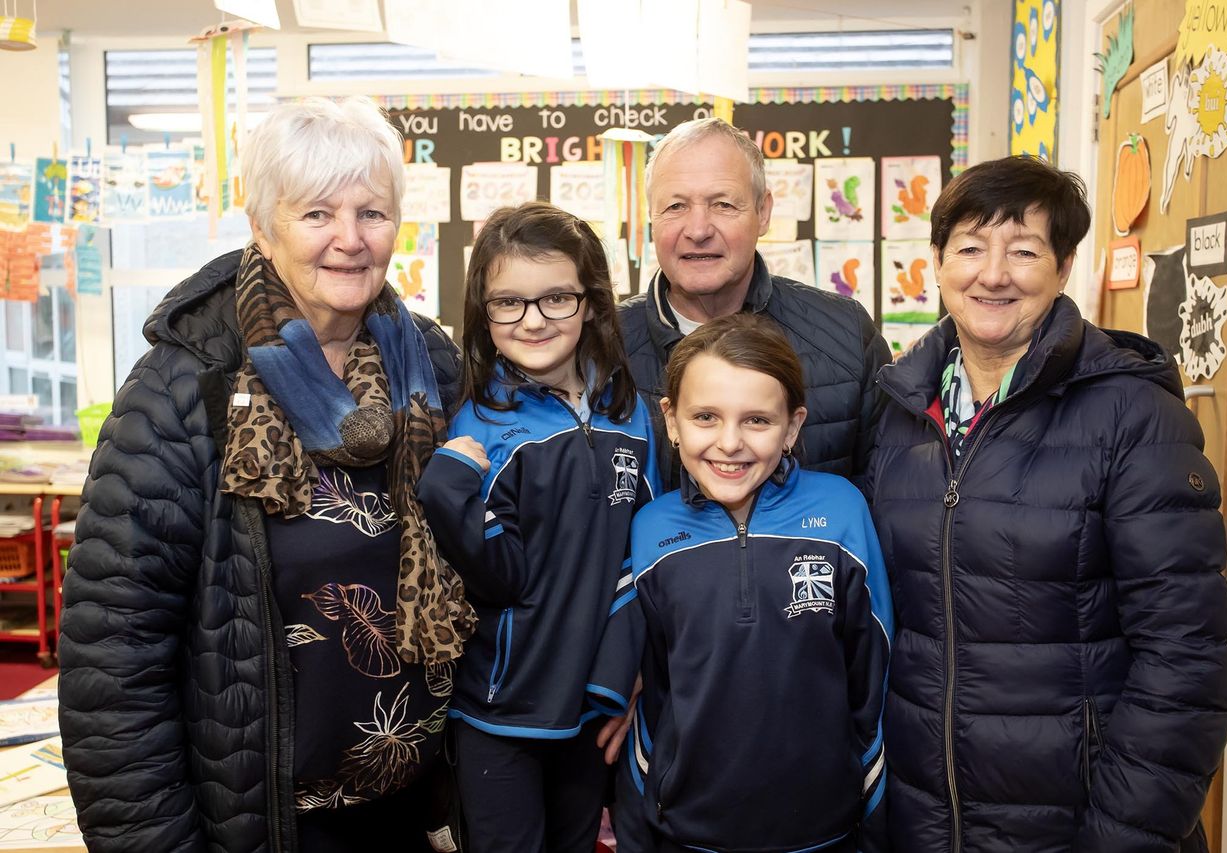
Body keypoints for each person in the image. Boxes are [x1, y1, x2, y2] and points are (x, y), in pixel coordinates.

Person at [58, 97, 475, 852]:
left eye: (372, 213)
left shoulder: (433, 365)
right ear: (262, 227)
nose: (349, 240)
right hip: (260, 828)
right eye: (317, 214)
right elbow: (113, 658)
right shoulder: (189, 386)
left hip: (416, 816)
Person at [868, 155, 1227, 852]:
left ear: (1065, 267)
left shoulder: (1132, 414)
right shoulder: (900, 409)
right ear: (939, 263)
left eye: (1025, 251)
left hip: (1079, 825)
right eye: (971, 248)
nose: (994, 274)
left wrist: (1119, 836)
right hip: (926, 823)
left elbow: (1188, 662)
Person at [417, 201, 660, 853]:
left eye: (556, 297)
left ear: (592, 302)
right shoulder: (482, 425)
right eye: (509, 302)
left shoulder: (631, 415)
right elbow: (502, 577)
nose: (533, 320)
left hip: (592, 708)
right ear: (483, 312)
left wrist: (627, 677)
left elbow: (652, 549)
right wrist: (445, 492)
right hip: (502, 714)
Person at [613, 314, 893, 853]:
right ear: (671, 421)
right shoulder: (651, 528)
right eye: (706, 417)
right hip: (688, 831)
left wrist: (873, 812)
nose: (730, 442)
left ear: (792, 427)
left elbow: (875, 672)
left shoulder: (841, 513)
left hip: (825, 830)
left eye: (758, 421)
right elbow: (648, 691)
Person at [619, 117, 890, 490]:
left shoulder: (846, 335)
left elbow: (882, 500)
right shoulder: (602, 344)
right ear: (651, 217)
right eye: (676, 206)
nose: (698, 230)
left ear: (763, 212)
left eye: (723, 204)